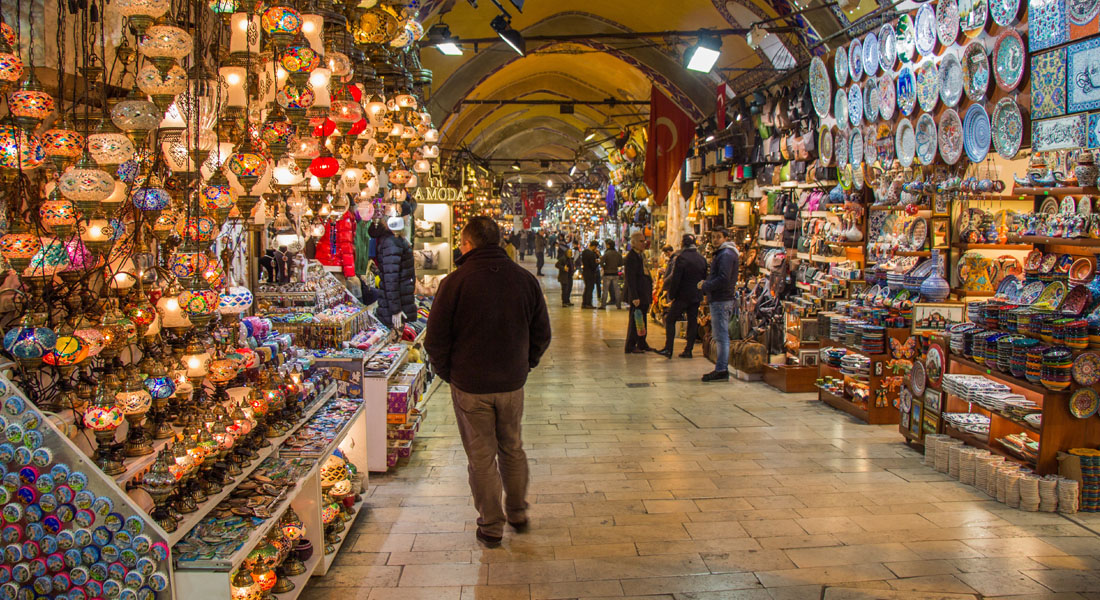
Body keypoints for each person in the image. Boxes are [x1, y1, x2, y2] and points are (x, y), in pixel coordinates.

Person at [425, 216, 551, 548]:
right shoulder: (524, 280)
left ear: (468, 244)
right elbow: (542, 334)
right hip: (511, 383)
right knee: (512, 447)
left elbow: (434, 339)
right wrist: (525, 364)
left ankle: (492, 525)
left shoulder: (454, 282)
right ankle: (518, 512)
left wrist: (449, 373)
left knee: (481, 456)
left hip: (470, 386)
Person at [699, 228, 740, 381]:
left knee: (721, 336)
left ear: (725, 238)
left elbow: (723, 278)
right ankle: (721, 367)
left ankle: (722, 369)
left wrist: (706, 286)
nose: (715, 240)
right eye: (713, 237)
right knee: (720, 335)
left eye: (718, 237)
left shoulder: (726, 255)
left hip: (721, 299)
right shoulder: (723, 254)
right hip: (720, 298)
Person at [657, 234, 707, 359]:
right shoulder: (701, 259)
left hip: (682, 296)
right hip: (696, 295)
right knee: (692, 322)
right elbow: (704, 277)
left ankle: (669, 349)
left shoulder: (682, 258)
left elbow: (676, 278)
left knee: (670, 320)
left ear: (683, 244)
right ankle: (688, 350)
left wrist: (672, 294)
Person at [372, 216, 417, 330]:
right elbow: (391, 278)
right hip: (396, 306)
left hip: (399, 302)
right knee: (396, 339)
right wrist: (395, 309)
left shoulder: (394, 240)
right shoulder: (392, 243)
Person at [623, 231, 653, 353]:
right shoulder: (631, 258)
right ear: (633, 242)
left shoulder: (641, 256)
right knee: (635, 320)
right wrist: (634, 296)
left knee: (642, 319)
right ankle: (630, 345)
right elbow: (630, 278)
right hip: (638, 294)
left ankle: (642, 342)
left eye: (644, 240)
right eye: (641, 241)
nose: (643, 243)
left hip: (643, 293)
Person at [600, 240, 623, 309]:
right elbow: (621, 263)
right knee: (617, 290)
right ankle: (618, 305)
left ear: (608, 245)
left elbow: (602, 263)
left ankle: (603, 305)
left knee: (605, 290)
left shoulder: (606, 253)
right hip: (615, 273)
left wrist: (605, 267)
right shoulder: (617, 254)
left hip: (607, 273)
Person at [579, 241, 600, 309]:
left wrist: (596, 254)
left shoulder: (585, 252)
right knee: (590, 288)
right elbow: (593, 265)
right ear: (594, 246)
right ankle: (588, 303)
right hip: (590, 273)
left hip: (585, 272)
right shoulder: (590, 254)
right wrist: (598, 263)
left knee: (587, 287)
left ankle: (584, 303)